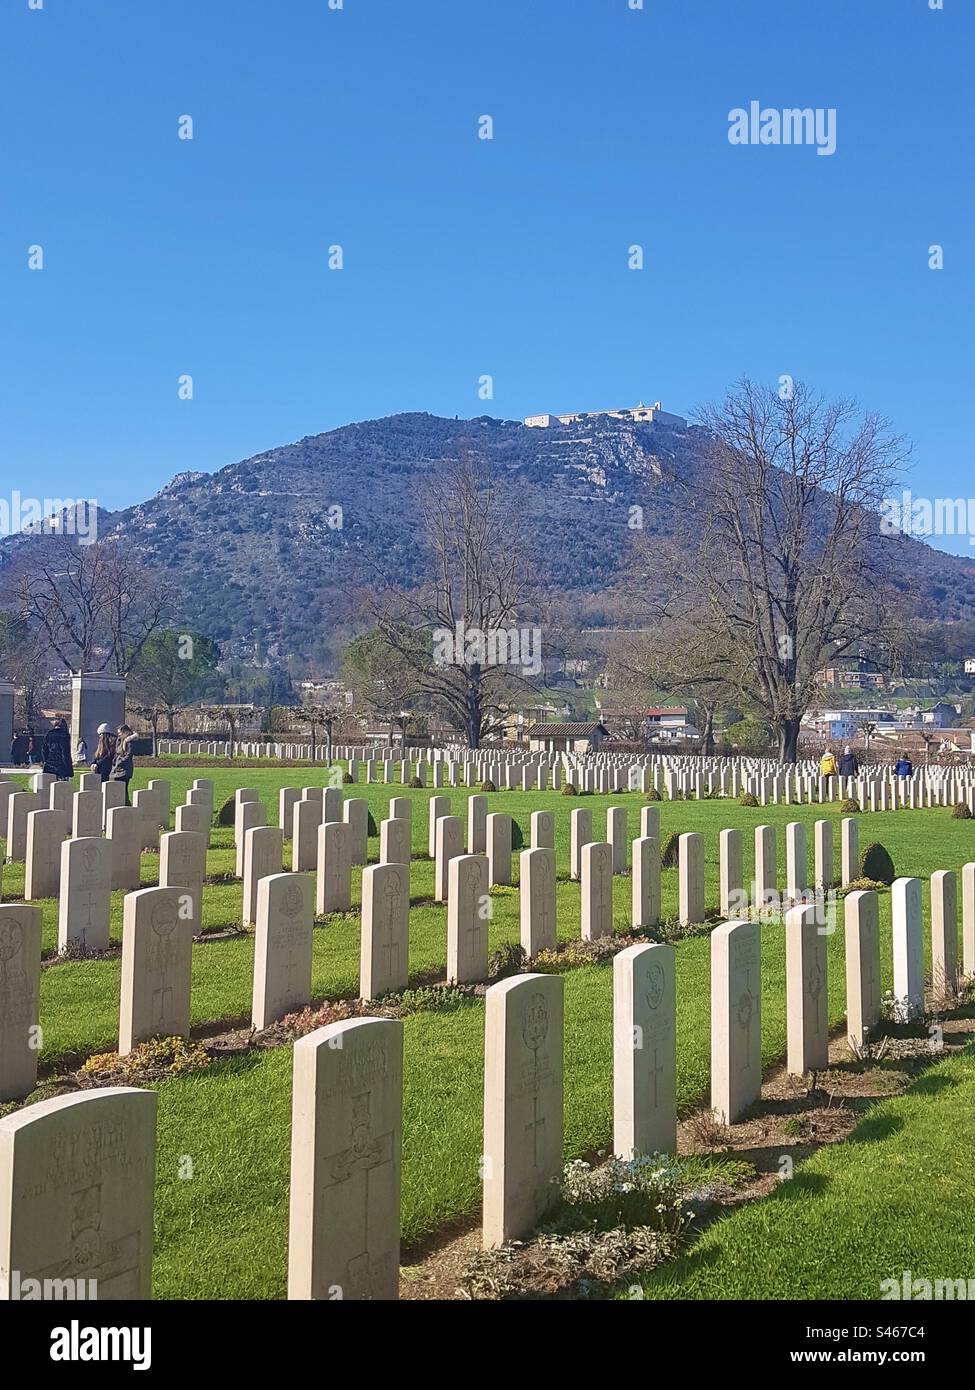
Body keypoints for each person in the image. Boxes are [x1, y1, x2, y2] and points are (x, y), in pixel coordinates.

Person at [109, 724, 136, 804]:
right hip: (117, 768)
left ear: (125, 732)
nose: (118, 734)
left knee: (124, 789)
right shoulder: (120, 741)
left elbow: (128, 755)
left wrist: (120, 762)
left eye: (120, 733)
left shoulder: (129, 742)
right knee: (117, 787)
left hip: (125, 769)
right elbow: (116, 753)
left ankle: (126, 804)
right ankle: (120, 802)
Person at [43, 717, 74, 782]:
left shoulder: (48, 734)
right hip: (61, 765)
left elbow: (44, 750)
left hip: (50, 764)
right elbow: (65, 753)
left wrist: (46, 761)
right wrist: (69, 769)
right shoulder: (65, 735)